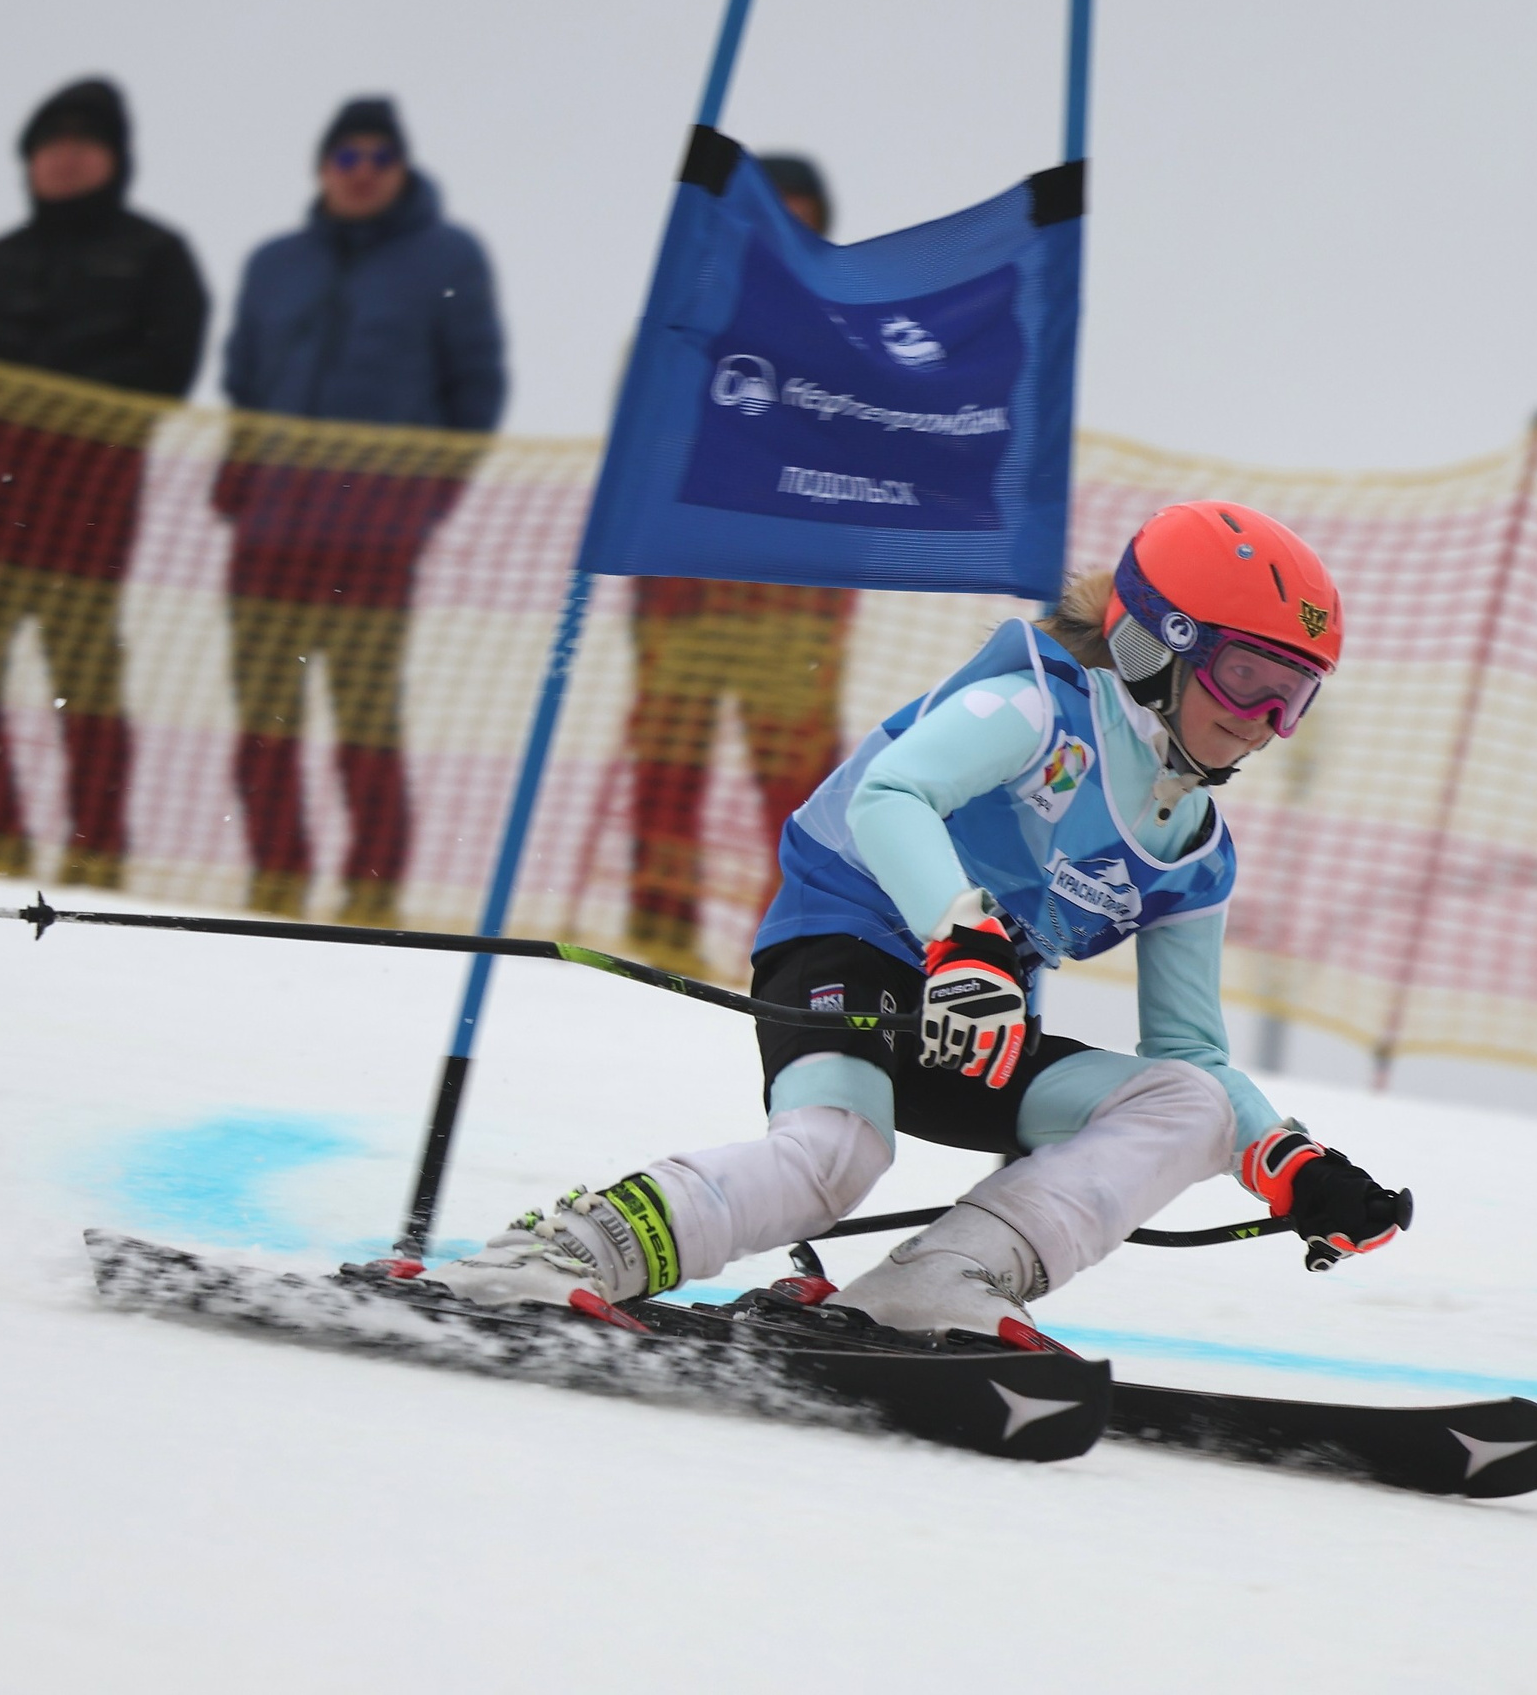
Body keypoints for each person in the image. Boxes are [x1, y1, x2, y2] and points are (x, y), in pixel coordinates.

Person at [430, 502, 1409, 1339]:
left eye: (1295, 699)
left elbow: (1189, 1049)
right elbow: (890, 796)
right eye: (1248, 680)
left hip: (971, 1027)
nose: (1263, 723)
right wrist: (961, 934)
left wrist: (1288, 1159)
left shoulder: (1194, 848)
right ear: (1160, 642)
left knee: (1187, 1105)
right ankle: (560, 1252)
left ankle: (936, 1286)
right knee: (836, 1157)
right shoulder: (1035, 709)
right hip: (847, 953)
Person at [0, 78, 209, 886]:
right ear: (29, 162)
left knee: (85, 683)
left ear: (114, 159)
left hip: (88, 510)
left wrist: (65, 402)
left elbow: (167, 370)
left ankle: (96, 851)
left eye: (84, 143)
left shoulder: (156, 256)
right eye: (51, 144)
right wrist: (4, 397)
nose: (67, 158)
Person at [217, 97, 506, 925]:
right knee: (264, 720)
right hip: (269, 534)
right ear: (323, 168)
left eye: (379, 157)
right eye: (347, 156)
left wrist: (425, 499)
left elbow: (473, 387)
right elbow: (243, 382)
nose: (363, 171)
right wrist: (241, 478)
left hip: (373, 541)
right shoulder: (276, 263)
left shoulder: (446, 257)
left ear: (402, 168)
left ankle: (370, 892)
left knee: (365, 720)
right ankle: (276, 880)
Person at [623, 154, 854, 976]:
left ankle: (793, 947)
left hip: (791, 612)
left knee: (802, 796)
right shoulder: (687, 322)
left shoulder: (842, 333)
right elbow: (644, 456)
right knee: (666, 777)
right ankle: (658, 938)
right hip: (686, 598)